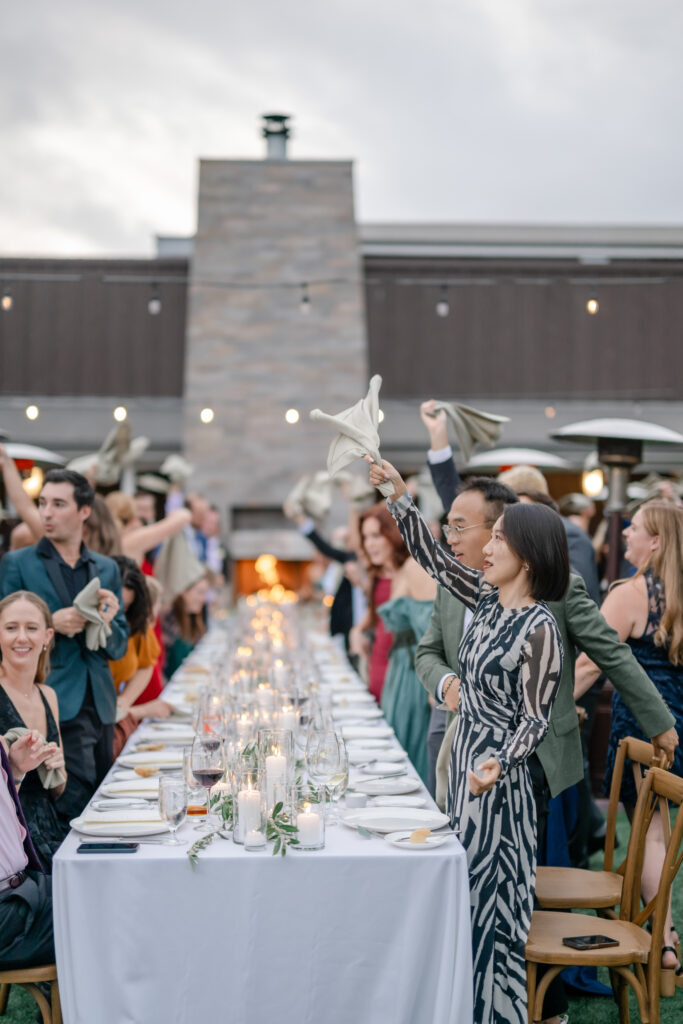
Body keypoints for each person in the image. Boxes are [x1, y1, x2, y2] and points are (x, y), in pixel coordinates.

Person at [368, 455, 567, 1024]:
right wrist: (397, 495)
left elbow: (534, 719)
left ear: (526, 554)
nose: (487, 549)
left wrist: (497, 765)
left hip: (499, 790)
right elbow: (431, 557)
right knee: (464, 902)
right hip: (463, 770)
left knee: (494, 914)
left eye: (499, 539)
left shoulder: (539, 627)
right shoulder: (483, 601)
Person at [574, 501, 683, 982]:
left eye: (633, 528)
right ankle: (666, 941)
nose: (624, 535)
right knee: (663, 833)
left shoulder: (629, 593)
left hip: (643, 730)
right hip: (680, 729)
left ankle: (663, 942)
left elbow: (589, 664)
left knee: (648, 834)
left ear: (655, 541)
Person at [0, 469, 128, 823]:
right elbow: (4, 635)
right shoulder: (17, 563)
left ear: (84, 511)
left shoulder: (106, 569)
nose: (47, 513)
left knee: (104, 798)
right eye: (42, 503)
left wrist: (106, 621)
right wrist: (50, 624)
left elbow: (118, 648)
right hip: (52, 701)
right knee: (74, 807)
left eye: (58, 504)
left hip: (101, 704)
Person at [0, 592, 67, 870]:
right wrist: (14, 767)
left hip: (53, 832)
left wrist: (59, 769)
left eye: (31, 628)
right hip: (14, 847)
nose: (21, 638)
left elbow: (56, 790)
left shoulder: (47, 695)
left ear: (47, 636)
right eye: (11, 627)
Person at [0, 731, 55, 969]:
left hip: (23, 888)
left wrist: (17, 773)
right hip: (6, 910)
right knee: (100, 910)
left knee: (107, 884)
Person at [162, 574, 209, 679]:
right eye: (199, 592)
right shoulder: (170, 620)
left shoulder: (193, 618)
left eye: (205, 593)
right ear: (184, 591)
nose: (203, 599)